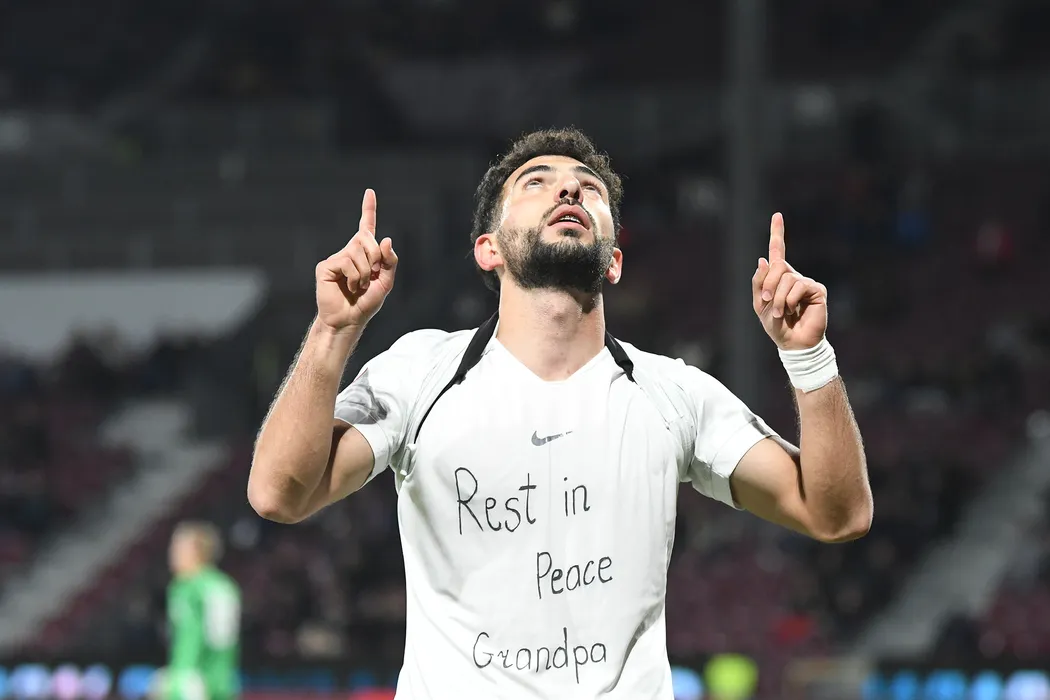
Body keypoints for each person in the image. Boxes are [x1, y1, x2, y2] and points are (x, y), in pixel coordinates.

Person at [248, 128, 873, 699]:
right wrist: (333, 330)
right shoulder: (418, 373)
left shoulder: (675, 393)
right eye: (536, 182)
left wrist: (809, 357)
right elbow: (279, 493)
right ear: (488, 250)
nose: (569, 189)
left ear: (614, 259)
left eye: (589, 188)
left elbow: (838, 514)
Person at [154, 522, 242, 700]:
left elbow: (193, 637)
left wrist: (181, 677)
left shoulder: (188, 587)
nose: (171, 553)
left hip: (192, 681)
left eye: (177, 547)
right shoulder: (224, 584)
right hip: (223, 679)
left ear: (195, 550)